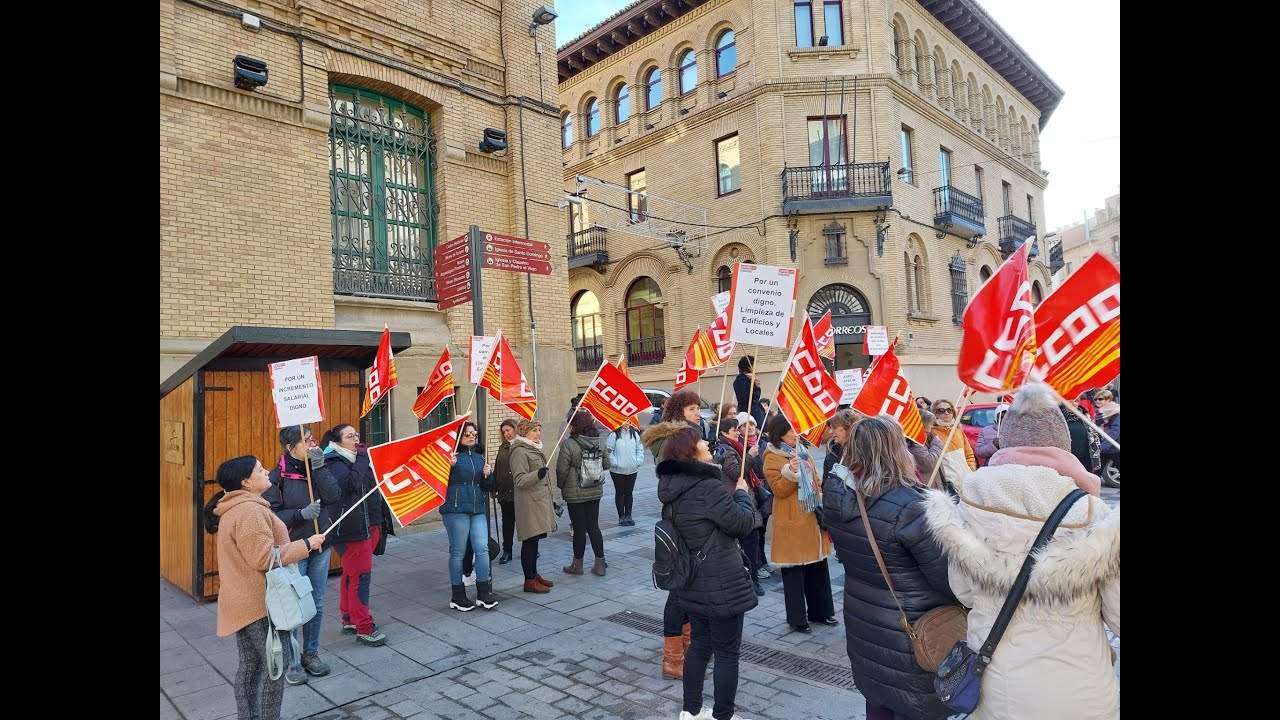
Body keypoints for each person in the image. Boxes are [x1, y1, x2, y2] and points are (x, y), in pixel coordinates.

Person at [922, 382, 1119, 720]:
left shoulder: (969, 506)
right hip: (1077, 690)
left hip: (998, 686)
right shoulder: (1095, 518)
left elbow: (965, 592)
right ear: (1064, 445)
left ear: (1005, 441)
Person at [820, 417, 958, 720]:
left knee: (879, 704)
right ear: (896, 450)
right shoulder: (911, 505)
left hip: (865, 623)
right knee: (914, 708)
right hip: (912, 633)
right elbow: (949, 579)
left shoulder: (837, 495)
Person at [656, 426, 760, 720]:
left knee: (700, 645)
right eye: (700, 441)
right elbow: (741, 523)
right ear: (692, 451)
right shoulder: (708, 487)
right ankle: (723, 715)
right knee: (727, 652)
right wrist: (741, 495)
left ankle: (691, 711)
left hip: (691, 580)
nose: (706, 442)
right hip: (721, 581)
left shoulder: (672, 486)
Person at [213, 456, 326, 720]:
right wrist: (306, 545)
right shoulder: (249, 511)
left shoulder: (240, 507)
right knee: (275, 667)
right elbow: (264, 558)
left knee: (251, 667)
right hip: (261, 603)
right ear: (245, 482)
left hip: (245, 600)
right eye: (260, 469)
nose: (267, 472)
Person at [263, 426, 341, 683]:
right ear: (290, 446)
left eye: (312, 439)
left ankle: (311, 654)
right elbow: (271, 516)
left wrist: (320, 468)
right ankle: (292, 661)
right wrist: (300, 515)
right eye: (306, 440)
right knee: (296, 605)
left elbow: (334, 495)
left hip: (320, 544)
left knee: (316, 604)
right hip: (295, 549)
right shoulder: (278, 476)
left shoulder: (318, 465)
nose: (312, 444)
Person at [642, 389, 708, 678]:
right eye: (692, 409)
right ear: (680, 411)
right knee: (680, 588)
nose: (697, 413)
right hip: (680, 520)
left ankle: (688, 646)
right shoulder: (673, 439)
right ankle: (673, 659)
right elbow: (671, 484)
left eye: (698, 408)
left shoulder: (689, 434)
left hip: (693, 519)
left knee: (690, 585)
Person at [762, 414, 836, 633]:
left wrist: (821, 491)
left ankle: (821, 612)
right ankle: (797, 618)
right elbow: (779, 490)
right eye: (790, 431)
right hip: (792, 519)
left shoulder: (802, 450)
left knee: (817, 567)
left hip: (812, 516)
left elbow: (815, 477)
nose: (796, 434)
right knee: (795, 573)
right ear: (779, 434)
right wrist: (790, 473)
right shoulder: (772, 457)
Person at [321, 424, 392, 646]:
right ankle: (364, 625)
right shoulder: (334, 462)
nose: (356, 440)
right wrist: (362, 458)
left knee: (351, 575)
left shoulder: (355, 459)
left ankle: (349, 617)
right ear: (337, 441)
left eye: (357, 435)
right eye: (350, 436)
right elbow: (351, 485)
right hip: (352, 530)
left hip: (369, 524)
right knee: (360, 578)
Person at [442, 421, 498, 612]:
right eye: (467, 433)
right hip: (455, 509)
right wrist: (447, 467)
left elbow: (488, 487)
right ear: (459, 436)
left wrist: (488, 475)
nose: (472, 436)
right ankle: (457, 595)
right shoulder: (450, 456)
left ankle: (483, 592)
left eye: (474, 433)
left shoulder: (479, 457)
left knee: (482, 549)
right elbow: (438, 482)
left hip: (477, 508)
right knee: (457, 552)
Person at [712, 418, 765, 597]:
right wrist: (750, 455)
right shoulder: (726, 449)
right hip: (737, 499)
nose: (738, 432)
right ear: (725, 433)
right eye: (735, 429)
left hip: (743, 497)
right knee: (749, 541)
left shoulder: (735, 446)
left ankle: (752, 578)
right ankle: (752, 580)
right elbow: (736, 473)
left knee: (751, 542)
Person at [557, 410, 612, 577]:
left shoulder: (569, 444)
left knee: (579, 529)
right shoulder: (599, 442)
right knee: (594, 527)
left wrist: (562, 486)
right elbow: (607, 464)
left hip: (575, 493)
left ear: (575, 425)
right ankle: (600, 564)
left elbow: (561, 470)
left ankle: (577, 565)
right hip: (595, 490)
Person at [508, 419, 558, 593]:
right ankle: (529, 580)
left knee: (535, 541)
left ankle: (534, 573)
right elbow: (519, 479)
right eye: (534, 430)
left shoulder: (532, 448)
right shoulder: (520, 451)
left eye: (539, 430)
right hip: (529, 504)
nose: (538, 433)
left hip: (537, 501)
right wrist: (538, 474)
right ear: (524, 432)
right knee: (529, 542)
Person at [736, 412, 771, 582]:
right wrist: (750, 454)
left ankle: (763, 560)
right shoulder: (739, 444)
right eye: (745, 425)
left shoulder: (763, 442)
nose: (749, 428)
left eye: (752, 424)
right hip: (750, 488)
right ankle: (754, 564)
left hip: (763, 489)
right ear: (739, 429)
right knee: (753, 530)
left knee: (763, 528)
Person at [930, 399, 977, 490]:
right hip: (948, 485)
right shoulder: (931, 433)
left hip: (966, 480)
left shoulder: (958, 431)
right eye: (941, 410)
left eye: (949, 409)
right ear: (934, 413)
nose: (946, 413)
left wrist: (971, 469)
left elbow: (969, 454)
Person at [606, 419, 645, 526]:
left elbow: (640, 449)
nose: (627, 423)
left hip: (632, 469)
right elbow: (609, 451)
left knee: (629, 493)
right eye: (624, 421)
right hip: (617, 470)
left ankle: (628, 515)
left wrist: (638, 461)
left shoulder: (635, 434)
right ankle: (621, 517)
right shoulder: (614, 435)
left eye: (629, 421)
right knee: (620, 493)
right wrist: (615, 463)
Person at [493, 419, 518, 564]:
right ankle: (507, 550)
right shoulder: (502, 448)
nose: (506, 434)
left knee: (524, 524)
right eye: (504, 432)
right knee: (507, 524)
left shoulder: (522, 446)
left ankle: (531, 548)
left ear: (515, 429)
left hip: (519, 493)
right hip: (505, 494)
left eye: (508, 430)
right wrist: (494, 487)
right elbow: (498, 468)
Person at [905, 410, 945, 488]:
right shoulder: (915, 442)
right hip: (926, 487)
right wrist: (937, 444)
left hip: (934, 484)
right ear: (922, 424)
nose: (931, 427)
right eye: (929, 424)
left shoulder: (926, 438)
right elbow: (928, 463)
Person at [821, 409, 862, 484]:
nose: (830, 431)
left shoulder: (864, 454)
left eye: (834, 427)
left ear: (848, 427)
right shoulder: (832, 455)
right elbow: (825, 485)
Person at [1063, 405, 1102, 475]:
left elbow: (1094, 435)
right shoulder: (1056, 417)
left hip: (1085, 460)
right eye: (1069, 400)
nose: (1073, 403)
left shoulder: (1084, 415)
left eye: (1076, 401)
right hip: (1065, 460)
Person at [733, 355, 766, 427]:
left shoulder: (747, 379)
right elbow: (748, 399)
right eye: (754, 365)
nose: (755, 368)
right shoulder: (741, 380)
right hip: (749, 413)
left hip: (754, 412)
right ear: (749, 367)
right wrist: (755, 387)